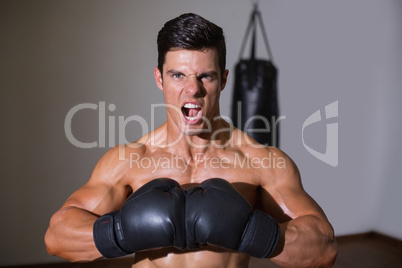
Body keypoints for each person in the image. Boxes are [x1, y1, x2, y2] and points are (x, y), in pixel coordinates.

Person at [45, 13, 337, 268]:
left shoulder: (260, 161)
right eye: (178, 75)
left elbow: (324, 248)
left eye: (206, 76)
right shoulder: (131, 159)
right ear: (159, 79)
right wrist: (122, 232)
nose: (192, 89)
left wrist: (250, 232)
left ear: (223, 80)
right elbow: (58, 236)